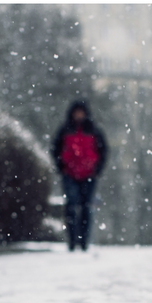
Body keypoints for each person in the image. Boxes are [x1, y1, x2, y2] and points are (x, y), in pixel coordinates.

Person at [52, 100, 107, 251]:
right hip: (69, 174)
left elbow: (103, 151)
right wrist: (61, 167)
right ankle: (71, 241)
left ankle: (83, 242)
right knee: (71, 206)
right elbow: (56, 149)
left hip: (89, 174)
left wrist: (97, 169)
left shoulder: (94, 131)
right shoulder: (65, 130)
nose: (79, 115)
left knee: (85, 208)